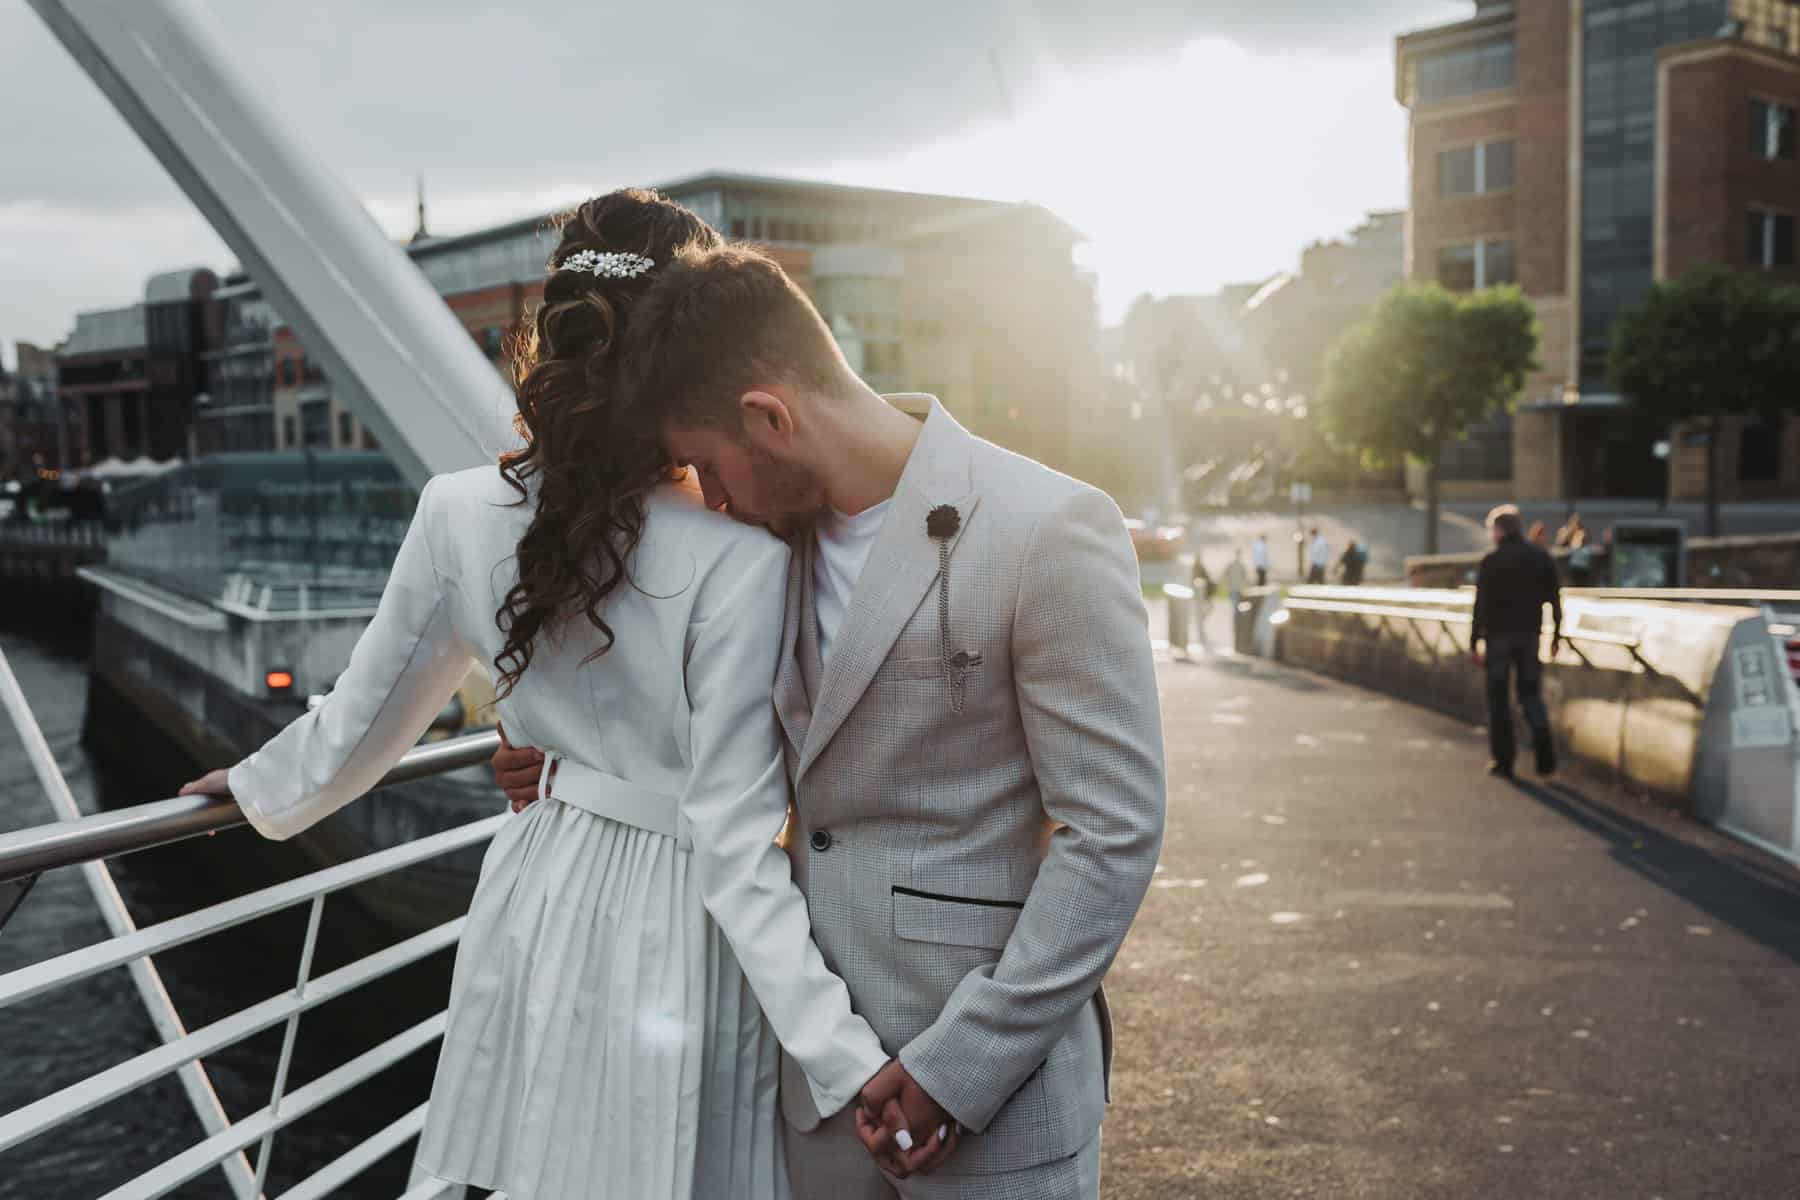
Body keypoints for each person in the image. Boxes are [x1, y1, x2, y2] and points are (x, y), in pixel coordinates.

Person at [179, 192, 896, 1200]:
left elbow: (362, 718)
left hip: (537, 886)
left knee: (541, 1162)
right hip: (684, 921)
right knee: (671, 1164)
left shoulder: (455, 510)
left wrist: (251, 792)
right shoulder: (742, 557)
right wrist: (847, 1063)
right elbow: (736, 841)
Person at [489, 220, 1167, 1198]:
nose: (710, 502)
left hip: (998, 1098)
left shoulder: (1049, 529)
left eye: (710, 468)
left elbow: (1111, 834)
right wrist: (551, 755)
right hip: (813, 1100)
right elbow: (695, 745)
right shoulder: (767, 553)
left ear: (771, 418)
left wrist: (959, 1066)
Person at [1472, 503, 1561, 779]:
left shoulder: (1491, 560)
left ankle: (1504, 760)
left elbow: (1481, 605)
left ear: (1498, 530)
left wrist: (1474, 639)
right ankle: (1544, 747)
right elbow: (1555, 599)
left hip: (1498, 637)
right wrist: (1557, 634)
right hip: (1530, 635)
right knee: (1530, 694)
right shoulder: (1540, 558)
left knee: (1498, 698)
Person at [1223, 547, 1249, 614]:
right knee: (1236, 601)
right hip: (1236, 586)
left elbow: (1226, 574)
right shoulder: (1238, 564)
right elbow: (1245, 576)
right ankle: (1236, 613)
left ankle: (1236, 613)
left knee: (1235, 601)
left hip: (1235, 586)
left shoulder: (1236, 564)